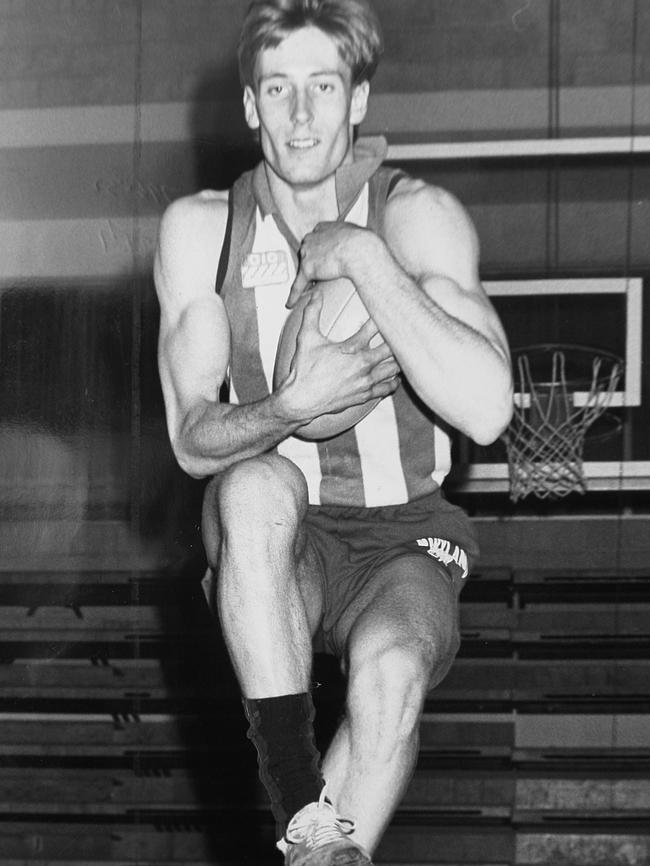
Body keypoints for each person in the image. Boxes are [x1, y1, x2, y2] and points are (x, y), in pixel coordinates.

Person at [154, 1, 513, 863]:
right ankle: (299, 811)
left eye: (324, 87)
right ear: (250, 106)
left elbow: (489, 410)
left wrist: (361, 257)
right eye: (278, 89)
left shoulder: (418, 215)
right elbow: (191, 439)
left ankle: (320, 856)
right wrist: (292, 404)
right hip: (279, 538)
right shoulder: (202, 229)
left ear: (358, 100)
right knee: (252, 482)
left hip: (405, 534)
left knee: (391, 675)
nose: (303, 114)